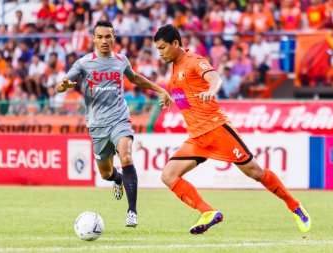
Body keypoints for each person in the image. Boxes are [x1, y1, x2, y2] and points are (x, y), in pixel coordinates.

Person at [153, 24, 311, 235]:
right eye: (158, 49)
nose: (160, 53)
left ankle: (295, 206)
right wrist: (168, 96)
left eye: (163, 47)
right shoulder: (174, 67)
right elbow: (188, 95)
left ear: (175, 43)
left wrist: (211, 91)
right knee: (168, 175)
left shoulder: (194, 61)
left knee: (255, 172)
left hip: (217, 129)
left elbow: (215, 78)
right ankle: (207, 212)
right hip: (197, 137)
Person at [56, 20, 171, 227]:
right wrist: (63, 85)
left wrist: (160, 89)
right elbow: (61, 85)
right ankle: (118, 179)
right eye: (99, 37)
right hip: (97, 125)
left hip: (119, 118)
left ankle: (132, 212)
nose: (104, 41)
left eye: (108, 36)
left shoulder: (121, 60)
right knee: (106, 173)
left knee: (126, 155)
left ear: (114, 37)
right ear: (93, 39)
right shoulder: (83, 63)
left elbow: (135, 78)